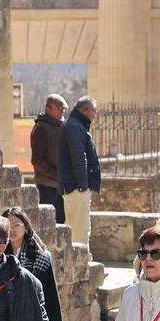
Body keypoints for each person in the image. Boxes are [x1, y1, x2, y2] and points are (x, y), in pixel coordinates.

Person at [57, 96, 101, 245]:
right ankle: (83, 266)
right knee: (81, 230)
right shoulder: (75, 127)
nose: (95, 114)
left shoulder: (73, 124)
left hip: (70, 186)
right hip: (76, 187)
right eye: (94, 111)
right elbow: (78, 157)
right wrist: (83, 185)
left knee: (72, 228)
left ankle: (74, 265)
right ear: (86, 110)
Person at [30, 94, 67, 224]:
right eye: (58, 108)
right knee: (47, 224)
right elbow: (37, 161)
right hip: (47, 187)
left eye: (63, 108)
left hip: (61, 187)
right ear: (48, 109)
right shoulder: (42, 128)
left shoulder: (61, 127)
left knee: (61, 225)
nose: (62, 111)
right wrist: (57, 174)